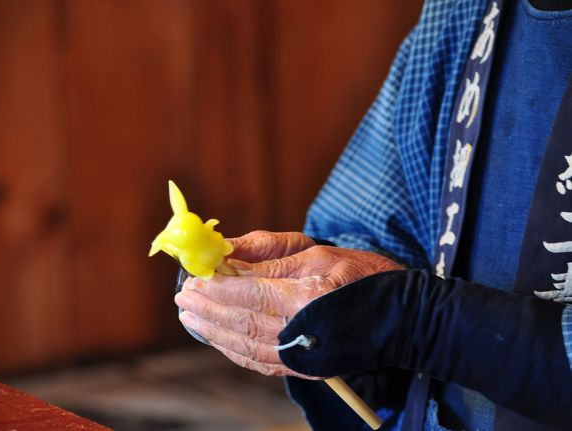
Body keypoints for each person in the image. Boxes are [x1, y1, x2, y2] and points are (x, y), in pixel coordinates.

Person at [174, 0, 572, 429]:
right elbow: (369, 222)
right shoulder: (462, 11)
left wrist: (433, 325)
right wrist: (329, 305)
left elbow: (420, 318)